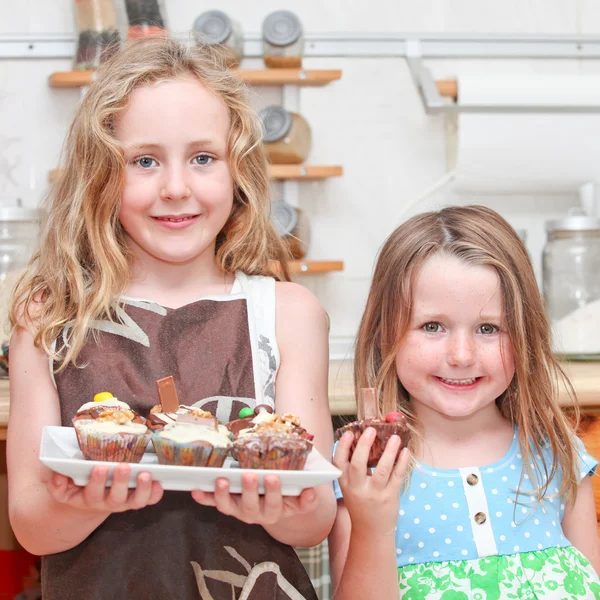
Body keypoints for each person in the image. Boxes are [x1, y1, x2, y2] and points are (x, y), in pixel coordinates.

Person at [7, 37, 335, 600]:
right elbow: (31, 526)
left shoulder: (286, 314)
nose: (176, 187)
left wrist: (276, 509)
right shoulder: (50, 316)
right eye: (144, 161)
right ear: (100, 175)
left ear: (239, 172)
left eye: (203, 158)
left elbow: (317, 517)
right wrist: (80, 503)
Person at [329, 205, 600, 600]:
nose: (461, 355)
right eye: (432, 326)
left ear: (525, 335)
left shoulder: (557, 453)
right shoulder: (365, 462)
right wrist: (372, 525)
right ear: (385, 334)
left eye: (488, 328)